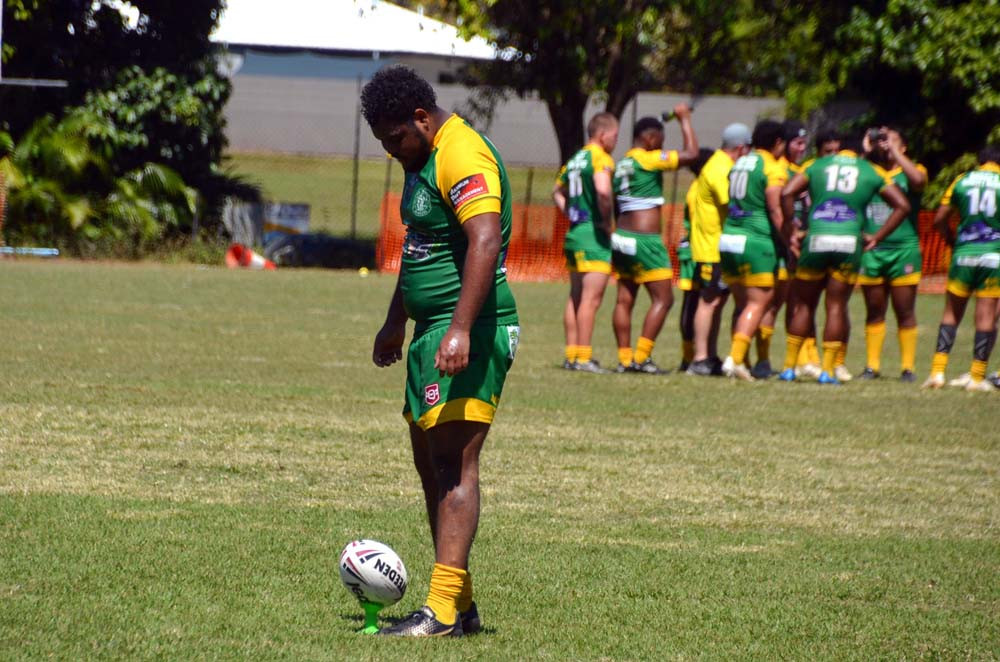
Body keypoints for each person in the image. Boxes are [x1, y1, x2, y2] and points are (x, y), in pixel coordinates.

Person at [363, 65, 519, 637]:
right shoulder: (421, 158)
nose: (390, 150)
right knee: (432, 466)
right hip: (430, 331)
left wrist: (459, 329)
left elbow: (485, 238)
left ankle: (442, 610)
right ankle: (461, 606)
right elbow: (420, 249)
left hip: (471, 331)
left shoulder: (462, 154)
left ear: (421, 119)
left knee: (454, 465)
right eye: (381, 141)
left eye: (394, 138)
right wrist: (393, 320)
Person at [778, 131, 910, 385]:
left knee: (804, 303)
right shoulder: (871, 170)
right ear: (859, 152)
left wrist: (791, 228)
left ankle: (788, 368)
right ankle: (828, 370)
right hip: (849, 241)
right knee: (836, 305)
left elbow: (787, 193)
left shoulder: (817, 164)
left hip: (817, 238)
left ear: (839, 152)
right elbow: (903, 205)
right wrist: (877, 237)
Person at [610, 105, 699, 373]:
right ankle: (641, 357)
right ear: (650, 139)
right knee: (664, 299)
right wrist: (684, 119)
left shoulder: (623, 161)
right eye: (660, 140)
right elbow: (692, 154)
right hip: (645, 241)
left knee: (625, 300)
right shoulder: (647, 159)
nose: (662, 145)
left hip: (622, 237)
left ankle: (625, 359)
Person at [922, 145, 1000, 392]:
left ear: (980, 161)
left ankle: (937, 372)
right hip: (993, 256)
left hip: (963, 254)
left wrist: (952, 241)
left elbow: (939, 220)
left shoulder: (962, 180)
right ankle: (977, 377)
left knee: (950, 313)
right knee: (986, 316)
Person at [719, 120, 788, 381]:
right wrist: (788, 238)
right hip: (756, 239)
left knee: (741, 305)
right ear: (778, 143)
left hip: (730, 237)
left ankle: (744, 361)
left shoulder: (740, 162)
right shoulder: (772, 166)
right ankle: (736, 359)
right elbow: (774, 207)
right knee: (759, 302)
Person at [857, 127, 927, 382]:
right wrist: (866, 152)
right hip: (872, 250)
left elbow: (918, 182)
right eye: (881, 140)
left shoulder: (912, 170)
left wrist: (895, 153)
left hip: (903, 250)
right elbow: (850, 175)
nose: (884, 144)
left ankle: (907, 368)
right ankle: (871, 366)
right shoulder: (868, 171)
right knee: (874, 310)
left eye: (891, 139)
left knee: (904, 310)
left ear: (904, 146)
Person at [554, 113, 619, 373]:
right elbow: (603, 192)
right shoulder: (600, 157)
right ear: (603, 135)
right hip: (593, 235)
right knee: (591, 300)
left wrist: (570, 212)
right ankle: (583, 357)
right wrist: (606, 223)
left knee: (576, 297)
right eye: (615, 136)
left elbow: (556, 191)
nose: (616, 141)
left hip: (575, 233)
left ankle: (572, 355)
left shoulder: (576, 159)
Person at [686, 123, 752, 376]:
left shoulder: (721, 165)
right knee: (709, 301)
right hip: (711, 248)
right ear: (740, 147)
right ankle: (700, 358)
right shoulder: (719, 168)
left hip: (720, 247)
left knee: (717, 302)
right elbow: (732, 202)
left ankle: (710, 356)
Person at [752, 119, 809, 378]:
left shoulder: (804, 169)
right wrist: (790, 240)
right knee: (773, 304)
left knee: (798, 304)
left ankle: (800, 360)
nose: (801, 148)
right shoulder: (777, 168)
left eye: (803, 143)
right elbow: (776, 209)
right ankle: (762, 360)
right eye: (796, 142)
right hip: (779, 245)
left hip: (796, 241)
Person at [676, 148, 716, 370]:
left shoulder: (697, 185)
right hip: (697, 250)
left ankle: (694, 354)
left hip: (696, 249)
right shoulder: (701, 187)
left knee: (695, 302)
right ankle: (689, 355)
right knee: (694, 301)